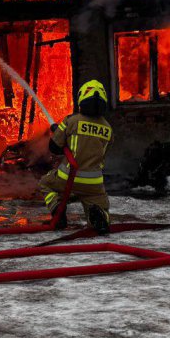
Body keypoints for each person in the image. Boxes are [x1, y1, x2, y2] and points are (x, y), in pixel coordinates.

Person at [40, 79, 114, 233]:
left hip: (67, 179)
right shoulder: (108, 129)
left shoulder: (71, 121)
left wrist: (59, 131)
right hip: (94, 185)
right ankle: (99, 216)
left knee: (45, 183)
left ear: (81, 99)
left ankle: (58, 212)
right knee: (101, 209)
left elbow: (54, 147)